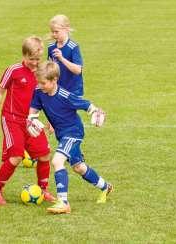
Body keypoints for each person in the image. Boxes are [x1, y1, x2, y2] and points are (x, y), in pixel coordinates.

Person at [27, 61, 113, 214]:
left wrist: (95, 112)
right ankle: (106, 187)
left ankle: (63, 202)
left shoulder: (64, 95)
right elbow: (34, 108)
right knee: (79, 167)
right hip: (62, 135)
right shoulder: (39, 91)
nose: (40, 86)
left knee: (57, 160)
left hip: (73, 132)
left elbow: (85, 104)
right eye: (38, 82)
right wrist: (32, 118)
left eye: (44, 83)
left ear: (54, 80)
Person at [0, 36, 55, 205]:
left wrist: (52, 121)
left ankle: (43, 190)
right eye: (31, 59)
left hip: (31, 121)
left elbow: (46, 99)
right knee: (16, 156)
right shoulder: (14, 70)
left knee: (45, 155)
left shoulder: (41, 73)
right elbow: (0, 91)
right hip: (11, 119)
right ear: (24, 56)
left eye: (38, 59)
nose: (35, 62)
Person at [47, 14, 84, 97]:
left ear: (66, 29)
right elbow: (49, 69)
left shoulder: (73, 47)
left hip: (73, 90)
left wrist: (62, 59)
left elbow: (78, 70)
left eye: (56, 32)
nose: (54, 34)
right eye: (52, 32)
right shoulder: (51, 47)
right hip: (57, 90)